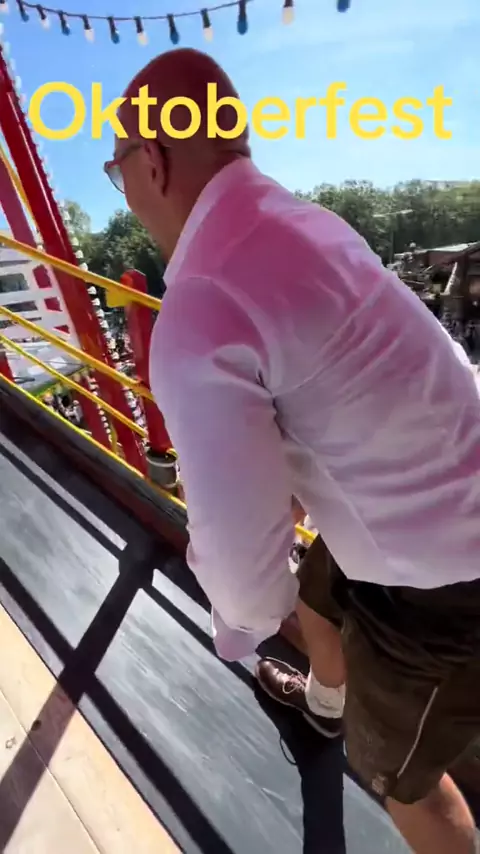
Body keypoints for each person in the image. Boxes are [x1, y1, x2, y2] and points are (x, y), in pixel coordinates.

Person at [105, 49, 480, 854]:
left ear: (154, 161)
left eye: (117, 168)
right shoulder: (307, 223)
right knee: (318, 591)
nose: (124, 190)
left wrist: (239, 622)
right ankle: (325, 702)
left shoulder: (199, 305)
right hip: (440, 483)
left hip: (441, 581)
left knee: (404, 784)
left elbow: (245, 576)